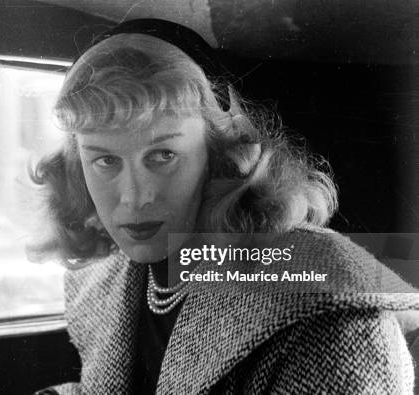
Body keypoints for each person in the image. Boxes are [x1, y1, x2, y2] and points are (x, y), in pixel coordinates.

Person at [30, 18, 419, 394]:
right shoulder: (110, 280)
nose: (134, 197)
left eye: (163, 155)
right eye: (105, 161)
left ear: (221, 154)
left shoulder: (328, 314)